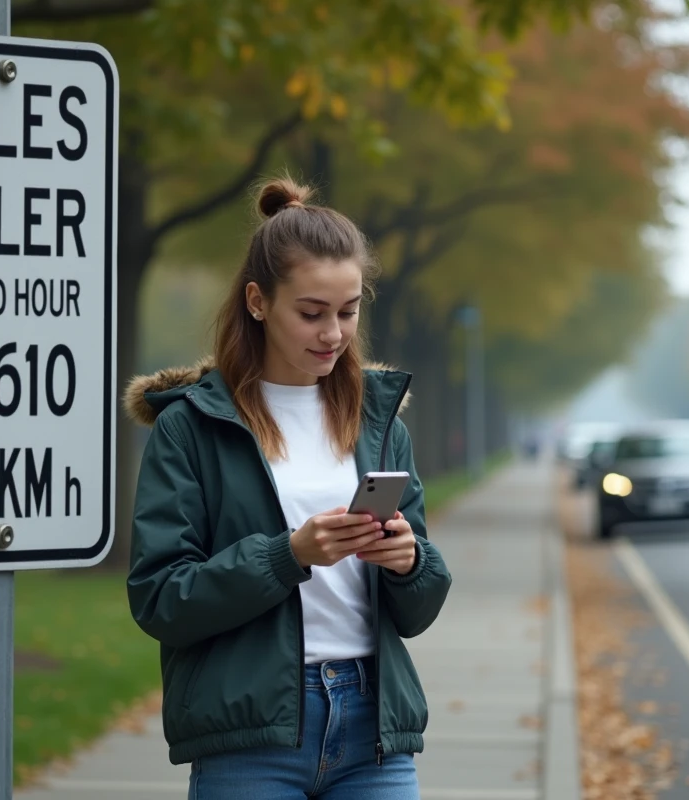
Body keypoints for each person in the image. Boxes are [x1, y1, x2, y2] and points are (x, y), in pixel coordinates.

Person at [123, 176, 453, 799]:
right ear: (257, 301)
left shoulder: (379, 424)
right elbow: (160, 598)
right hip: (252, 735)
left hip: (373, 728)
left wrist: (409, 562)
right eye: (311, 312)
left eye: (349, 311)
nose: (333, 333)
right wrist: (289, 555)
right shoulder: (190, 427)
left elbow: (418, 612)